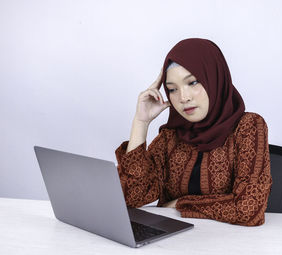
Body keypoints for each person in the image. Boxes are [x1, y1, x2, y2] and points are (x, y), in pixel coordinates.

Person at [115, 38, 272, 226]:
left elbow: (249, 209)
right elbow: (131, 197)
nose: (183, 97)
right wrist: (141, 122)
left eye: (193, 82)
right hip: (174, 245)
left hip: (232, 247)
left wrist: (180, 204)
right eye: (172, 89)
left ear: (214, 78)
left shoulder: (248, 127)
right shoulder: (171, 136)